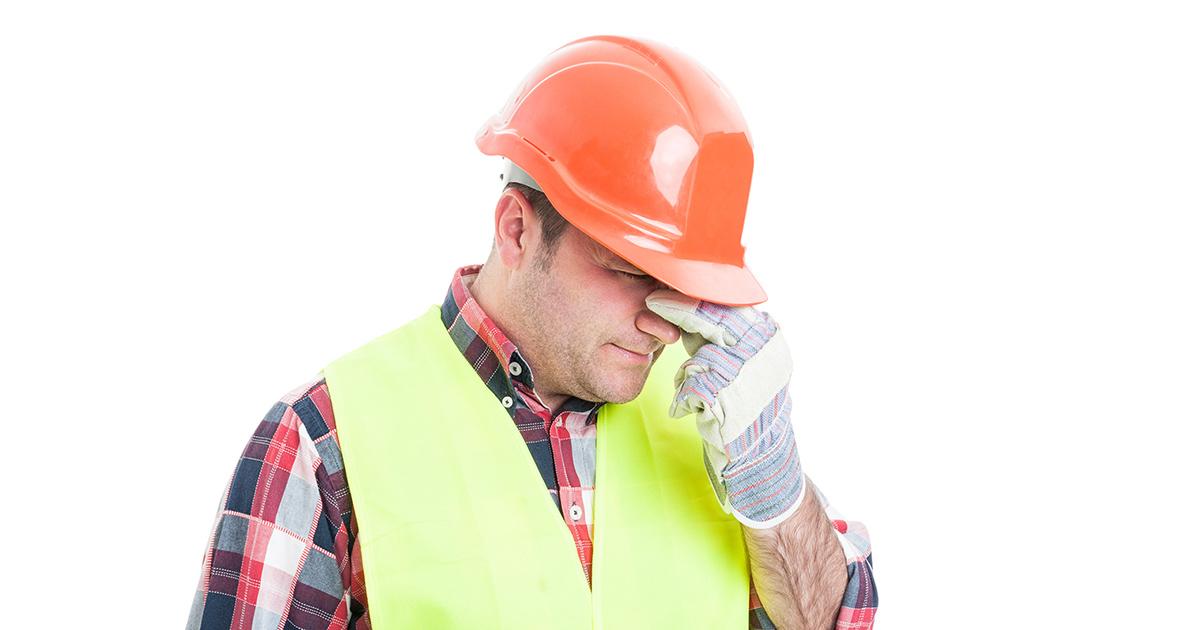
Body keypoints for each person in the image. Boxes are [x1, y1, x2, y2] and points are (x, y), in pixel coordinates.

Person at [186, 35, 877, 630]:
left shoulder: (718, 422)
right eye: (628, 272)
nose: (663, 323)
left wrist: (776, 501)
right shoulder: (324, 440)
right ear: (516, 229)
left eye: (683, 285)